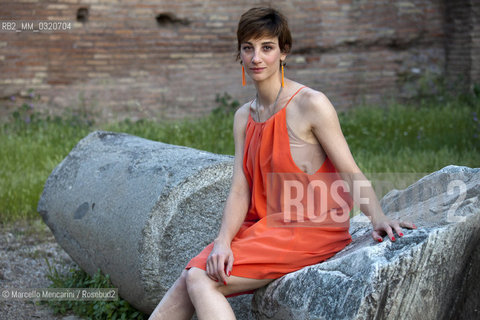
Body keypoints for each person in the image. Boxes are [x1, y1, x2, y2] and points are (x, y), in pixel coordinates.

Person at [148, 6, 416, 320]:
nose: (256, 58)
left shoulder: (310, 104)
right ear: (240, 54)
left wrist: (378, 217)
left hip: (312, 228)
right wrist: (222, 242)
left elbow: (350, 169)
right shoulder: (242, 117)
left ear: (283, 52)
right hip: (266, 227)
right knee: (193, 273)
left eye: (267, 47)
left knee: (199, 277)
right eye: (248, 48)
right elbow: (239, 189)